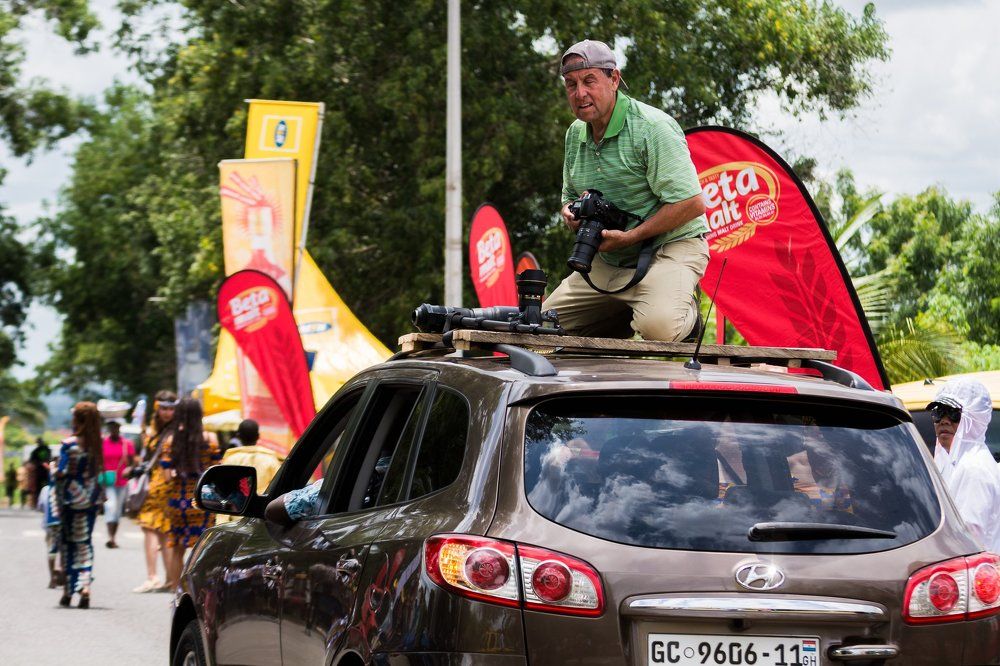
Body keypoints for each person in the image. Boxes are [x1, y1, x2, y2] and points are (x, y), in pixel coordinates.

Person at [545, 39, 709, 342]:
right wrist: (569, 213)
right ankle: (618, 313)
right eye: (570, 84)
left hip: (668, 248)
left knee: (660, 329)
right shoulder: (574, 133)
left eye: (589, 81)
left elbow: (692, 203)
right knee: (542, 328)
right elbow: (569, 197)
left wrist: (631, 236)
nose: (580, 93)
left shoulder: (652, 127)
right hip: (608, 259)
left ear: (614, 79)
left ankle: (689, 321)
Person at [931, 379, 1000, 552]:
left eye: (953, 413)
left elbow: (966, 542)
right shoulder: (953, 463)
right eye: (938, 412)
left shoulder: (973, 469)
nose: (944, 421)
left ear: (974, 418)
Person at [159, 398, 221, 589]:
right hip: (202, 500)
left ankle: (176, 591)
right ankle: (199, 589)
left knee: (177, 548)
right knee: (201, 547)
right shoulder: (210, 438)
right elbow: (216, 470)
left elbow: (167, 476)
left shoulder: (171, 441)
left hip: (179, 501)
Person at [54, 401, 105, 608]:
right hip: (91, 499)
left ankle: (68, 591)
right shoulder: (97, 444)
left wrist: (52, 469)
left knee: (68, 544)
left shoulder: (69, 444)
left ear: (78, 419)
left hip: (71, 500)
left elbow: (62, 472)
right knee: (85, 542)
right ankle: (85, 587)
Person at [132, 390, 177, 593]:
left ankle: (154, 577)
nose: (167, 412)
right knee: (163, 531)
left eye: (170, 408)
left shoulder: (173, 431)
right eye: (163, 408)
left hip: (164, 483)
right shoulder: (162, 430)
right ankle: (169, 578)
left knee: (152, 527)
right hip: (162, 483)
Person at [215, 419, 284, 525]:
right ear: (258, 436)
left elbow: (223, 495)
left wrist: (221, 524)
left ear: (238, 436)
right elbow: (280, 491)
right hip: (264, 521)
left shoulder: (230, 460)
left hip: (236, 524)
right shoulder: (271, 460)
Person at [101, 419, 136, 548]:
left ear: (119, 428)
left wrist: (129, 468)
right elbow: (99, 461)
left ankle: (113, 537)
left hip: (122, 481)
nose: (113, 430)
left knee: (117, 511)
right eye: (111, 427)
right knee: (111, 506)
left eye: (115, 427)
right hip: (107, 481)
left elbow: (133, 462)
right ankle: (110, 536)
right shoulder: (103, 443)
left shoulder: (127, 444)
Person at [37, 481, 63, 588]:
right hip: (64, 524)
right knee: (64, 550)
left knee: (51, 551)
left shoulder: (45, 490)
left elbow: (40, 507)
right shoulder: (67, 488)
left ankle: (52, 578)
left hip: (50, 525)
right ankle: (61, 569)